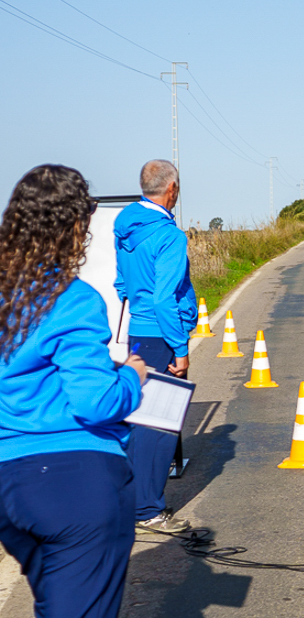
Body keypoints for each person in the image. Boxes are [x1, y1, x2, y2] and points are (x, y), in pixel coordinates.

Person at [0, 164, 147, 618]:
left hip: (9, 487)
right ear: (75, 226)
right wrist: (131, 377)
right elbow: (95, 402)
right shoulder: (71, 297)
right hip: (76, 484)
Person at [113, 159, 196, 534]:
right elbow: (164, 298)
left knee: (138, 418)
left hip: (138, 333)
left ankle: (131, 500)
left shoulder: (126, 225)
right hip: (162, 335)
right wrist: (180, 348)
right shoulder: (169, 236)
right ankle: (148, 509)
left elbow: (121, 283)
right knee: (159, 425)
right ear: (171, 189)